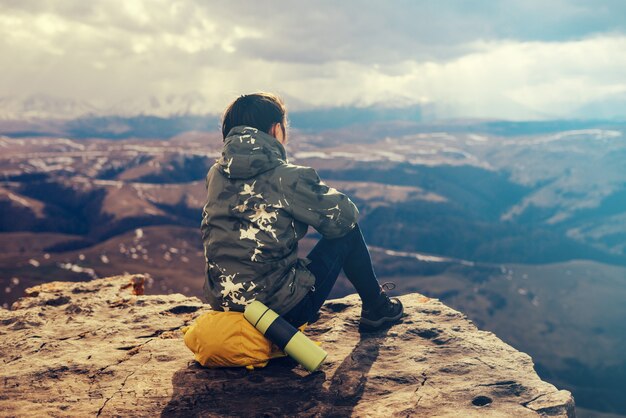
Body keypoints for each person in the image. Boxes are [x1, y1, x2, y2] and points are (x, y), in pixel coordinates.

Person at [200, 92, 404, 331]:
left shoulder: (216, 174)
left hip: (224, 306)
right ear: (276, 130)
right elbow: (345, 215)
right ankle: (377, 309)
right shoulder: (287, 177)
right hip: (278, 312)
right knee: (347, 232)